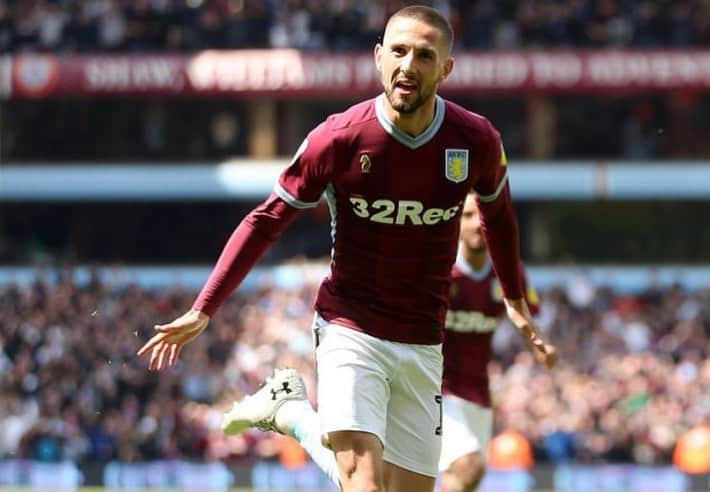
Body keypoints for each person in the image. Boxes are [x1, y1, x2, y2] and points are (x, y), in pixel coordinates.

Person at [138, 5, 554, 492]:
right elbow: (266, 219)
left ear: (446, 68)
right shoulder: (339, 138)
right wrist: (203, 308)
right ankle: (294, 415)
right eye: (398, 51)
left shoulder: (476, 140)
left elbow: (499, 217)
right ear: (378, 57)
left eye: (424, 55)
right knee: (363, 485)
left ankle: (291, 411)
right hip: (350, 327)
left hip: (423, 339)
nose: (408, 65)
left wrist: (513, 299)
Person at [439, 193, 555, 492]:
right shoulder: (440, 268)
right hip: (433, 389)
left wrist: (541, 348)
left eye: (482, 215)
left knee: (466, 478)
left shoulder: (508, 272)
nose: (476, 224)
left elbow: (527, 322)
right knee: (468, 465)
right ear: (455, 222)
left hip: (477, 391)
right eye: (467, 216)